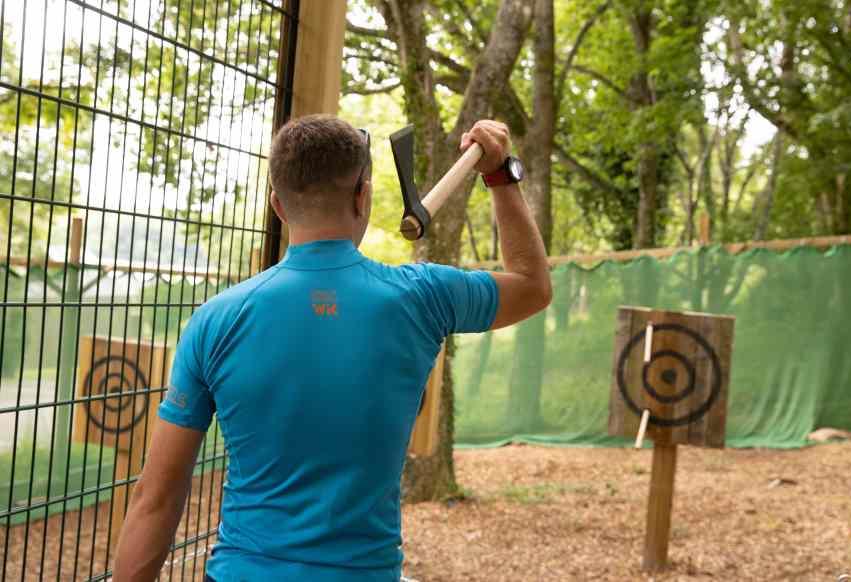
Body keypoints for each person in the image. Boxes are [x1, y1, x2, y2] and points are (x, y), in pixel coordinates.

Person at [112, 116, 551, 581]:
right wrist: (500, 174)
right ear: (363, 196)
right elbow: (532, 285)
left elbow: (156, 498)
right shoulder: (423, 298)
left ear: (278, 205)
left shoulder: (214, 320)